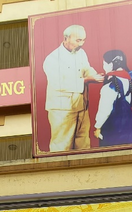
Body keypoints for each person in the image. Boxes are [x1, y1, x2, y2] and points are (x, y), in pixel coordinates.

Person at [42, 24, 102, 152]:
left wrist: (94, 75)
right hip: (62, 109)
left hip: (81, 106)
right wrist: (87, 80)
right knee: (62, 145)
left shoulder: (81, 53)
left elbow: (86, 68)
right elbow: (59, 83)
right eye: (78, 40)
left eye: (83, 40)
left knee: (83, 143)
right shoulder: (52, 58)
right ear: (66, 38)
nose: (82, 43)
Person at [94, 49, 132, 146]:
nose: (103, 66)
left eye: (104, 63)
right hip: (128, 122)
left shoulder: (110, 85)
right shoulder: (127, 79)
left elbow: (105, 110)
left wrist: (98, 127)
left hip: (113, 125)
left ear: (111, 64)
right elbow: (129, 100)